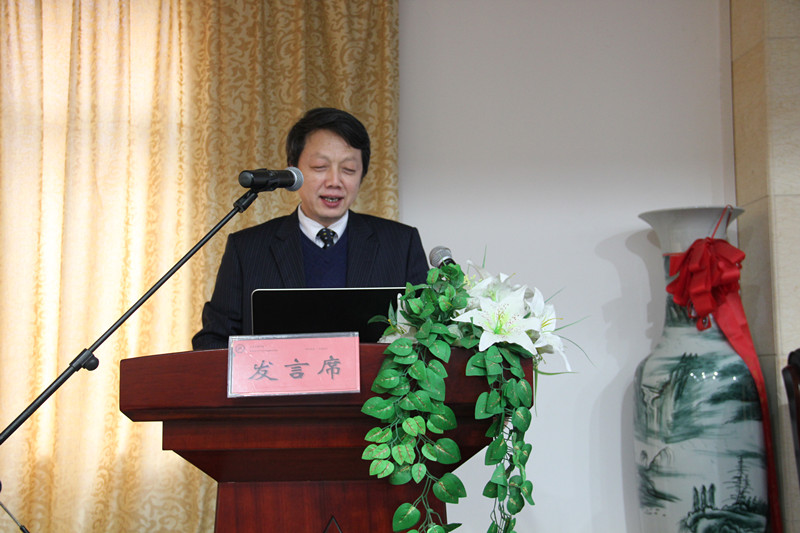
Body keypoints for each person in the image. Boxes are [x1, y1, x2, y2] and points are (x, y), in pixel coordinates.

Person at [192, 107, 429, 350]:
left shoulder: (401, 245)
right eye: (319, 166)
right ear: (293, 171)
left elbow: (429, 335)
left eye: (348, 169)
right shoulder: (247, 249)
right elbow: (212, 342)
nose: (334, 181)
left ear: (362, 175)